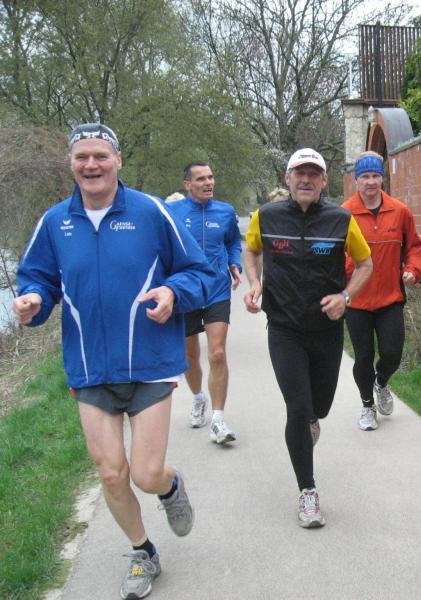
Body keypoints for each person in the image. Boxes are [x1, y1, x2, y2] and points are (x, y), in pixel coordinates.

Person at [14, 123, 216, 599]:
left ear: (118, 160)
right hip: (89, 367)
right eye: (82, 157)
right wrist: (32, 301)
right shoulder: (55, 222)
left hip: (149, 362)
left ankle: (169, 486)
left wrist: (172, 291)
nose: (91, 165)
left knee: (146, 473)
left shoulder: (150, 212)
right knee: (110, 472)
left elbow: (198, 272)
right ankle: (143, 552)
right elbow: (37, 279)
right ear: (71, 163)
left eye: (100, 156)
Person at [243, 148, 373, 528]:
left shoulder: (340, 219)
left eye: (313, 174)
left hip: (326, 330)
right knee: (297, 409)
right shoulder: (266, 216)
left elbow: (365, 264)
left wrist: (345, 297)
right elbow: (251, 251)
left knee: (320, 407)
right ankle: (308, 491)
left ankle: (312, 419)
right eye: (299, 173)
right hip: (284, 328)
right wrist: (255, 283)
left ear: (323, 181)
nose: (305, 179)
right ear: (287, 179)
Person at [342, 151, 421, 430]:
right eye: (364, 176)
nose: (370, 182)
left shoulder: (399, 211)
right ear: (356, 180)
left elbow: (414, 246)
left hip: (390, 298)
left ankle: (382, 382)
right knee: (363, 357)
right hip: (356, 300)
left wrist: (412, 269)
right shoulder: (344, 213)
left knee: (392, 354)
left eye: (375, 176)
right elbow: (334, 252)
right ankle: (367, 406)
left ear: (382, 179)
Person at [166, 162, 242, 444]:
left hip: (217, 289)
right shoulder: (172, 212)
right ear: (187, 184)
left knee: (217, 353)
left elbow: (233, 242)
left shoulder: (225, 211)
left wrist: (234, 263)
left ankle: (218, 420)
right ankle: (198, 398)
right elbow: (162, 246)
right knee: (190, 356)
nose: (208, 183)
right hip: (186, 290)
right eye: (201, 179)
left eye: (211, 177)